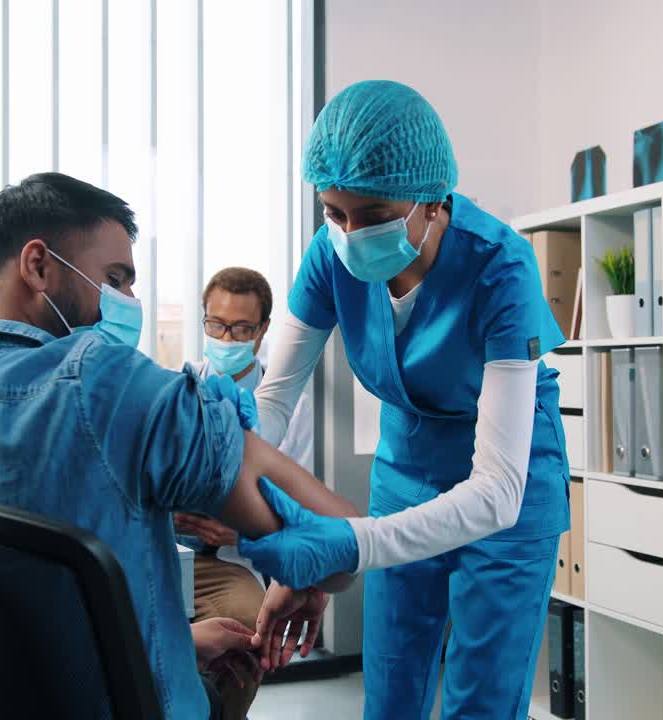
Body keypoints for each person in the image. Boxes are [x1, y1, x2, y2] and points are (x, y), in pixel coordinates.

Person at [0, 173, 358, 720]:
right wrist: (309, 576)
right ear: (38, 266)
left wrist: (177, 645)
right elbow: (338, 546)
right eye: (116, 279)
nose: (128, 301)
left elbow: (10, 635)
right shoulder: (106, 385)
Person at [239, 81, 571, 720]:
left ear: (432, 201)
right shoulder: (330, 254)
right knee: (390, 689)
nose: (349, 232)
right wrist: (269, 524)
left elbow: (497, 490)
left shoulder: (502, 265)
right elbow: (272, 403)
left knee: (482, 699)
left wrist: (347, 544)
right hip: (407, 466)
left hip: (511, 482)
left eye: (373, 214)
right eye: (334, 212)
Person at [173, 267, 315, 720]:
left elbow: (300, 506)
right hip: (171, 548)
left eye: (240, 328)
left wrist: (242, 528)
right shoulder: (179, 387)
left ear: (263, 330)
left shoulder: (292, 405)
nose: (226, 337)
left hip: (237, 556)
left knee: (243, 641)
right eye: (216, 325)